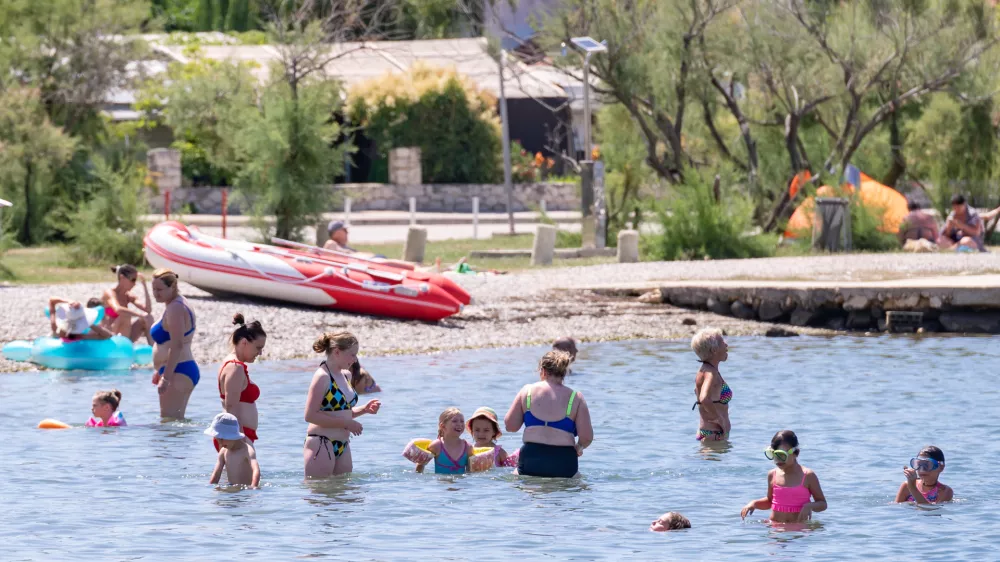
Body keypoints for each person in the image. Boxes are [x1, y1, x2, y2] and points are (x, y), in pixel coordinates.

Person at [504, 350, 594, 478]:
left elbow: (510, 426)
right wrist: (579, 447)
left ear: (543, 371)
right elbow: (587, 437)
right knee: (579, 481)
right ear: (564, 373)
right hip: (564, 462)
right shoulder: (576, 397)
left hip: (531, 462)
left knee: (516, 477)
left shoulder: (527, 391)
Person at [303, 331, 381, 478]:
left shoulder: (346, 375)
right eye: (352, 355)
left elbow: (340, 412)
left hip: (343, 444)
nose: (355, 359)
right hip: (321, 443)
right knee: (321, 490)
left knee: (345, 490)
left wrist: (364, 410)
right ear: (337, 352)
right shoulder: (322, 377)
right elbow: (310, 415)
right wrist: (347, 424)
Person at [741, 430, 828, 523]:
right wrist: (754, 503)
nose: (778, 460)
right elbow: (770, 501)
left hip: (798, 528)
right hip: (775, 526)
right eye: (774, 455)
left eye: (782, 455)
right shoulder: (772, 475)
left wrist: (809, 506)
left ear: (796, 453)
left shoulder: (807, 476)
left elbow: (823, 504)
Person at [149, 269, 199, 419]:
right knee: (174, 423)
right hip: (176, 369)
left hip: (179, 370)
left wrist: (166, 378)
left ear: (172, 287)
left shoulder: (175, 308)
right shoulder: (176, 304)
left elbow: (177, 345)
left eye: (159, 290)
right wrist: (160, 369)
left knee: (169, 423)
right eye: (153, 289)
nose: (155, 294)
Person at [216, 313, 266, 452]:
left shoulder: (232, 364)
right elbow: (231, 407)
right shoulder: (235, 367)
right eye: (258, 347)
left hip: (235, 434)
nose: (260, 353)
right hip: (236, 435)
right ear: (244, 342)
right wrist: (241, 439)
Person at [691, 328, 732, 441]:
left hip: (707, 433)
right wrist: (720, 420)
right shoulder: (710, 374)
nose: (726, 345)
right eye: (722, 342)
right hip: (715, 434)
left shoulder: (703, 370)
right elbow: (704, 398)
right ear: (714, 350)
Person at [101, 265, 153, 344]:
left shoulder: (128, 296)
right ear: (122, 277)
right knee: (124, 314)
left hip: (123, 337)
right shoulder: (110, 293)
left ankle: (153, 349)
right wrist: (139, 315)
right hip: (108, 336)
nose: (134, 284)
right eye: (133, 280)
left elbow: (148, 310)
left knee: (148, 317)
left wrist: (144, 286)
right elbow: (118, 309)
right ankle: (122, 346)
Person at [206, 413, 260, 488]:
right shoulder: (223, 452)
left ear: (233, 436)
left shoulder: (247, 450)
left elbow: (256, 470)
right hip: (231, 487)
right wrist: (210, 488)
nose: (220, 443)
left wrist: (253, 487)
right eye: (217, 439)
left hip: (246, 490)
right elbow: (216, 474)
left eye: (222, 439)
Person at [416, 407, 474, 474]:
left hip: (462, 481)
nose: (459, 424)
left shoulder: (468, 448)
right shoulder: (436, 446)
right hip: (441, 481)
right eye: (454, 421)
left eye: (462, 421)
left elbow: (470, 472)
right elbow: (420, 465)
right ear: (443, 426)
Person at [47, 298, 113, 341]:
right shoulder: (81, 337)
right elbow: (108, 335)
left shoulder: (55, 328)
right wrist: (88, 322)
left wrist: (68, 301)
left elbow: (51, 301)